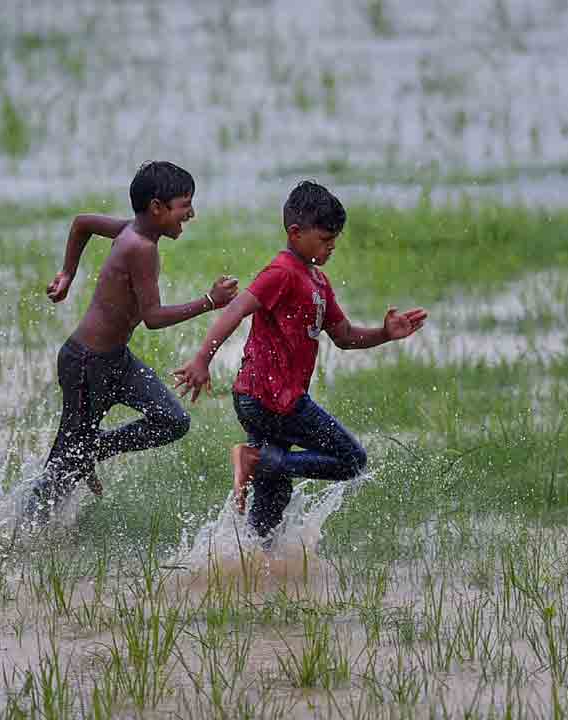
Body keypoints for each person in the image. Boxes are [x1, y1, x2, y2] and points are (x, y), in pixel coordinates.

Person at [172, 180, 428, 541]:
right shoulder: (282, 272)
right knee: (351, 459)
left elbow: (344, 337)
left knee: (273, 496)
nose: (331, 247)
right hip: (273, 399)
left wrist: (385, 334)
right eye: (324, 239)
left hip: (265, 399)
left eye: (334, 240)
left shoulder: (318, 282)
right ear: (295, 233)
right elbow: (237, 309)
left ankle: (252, 559)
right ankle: (255, 460)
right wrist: (202, 359)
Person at [25, 161, 239, 527]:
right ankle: (23, 533)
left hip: (115, 360)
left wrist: (68, 273)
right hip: (86, 366)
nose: (191, 214)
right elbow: (152, 317)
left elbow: (82, 223)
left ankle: (93, 449)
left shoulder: (131, 230)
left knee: (172, 421)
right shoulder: (141, 247)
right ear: (156, 207)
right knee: (64, 466)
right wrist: (209, 301)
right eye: (185, 205)